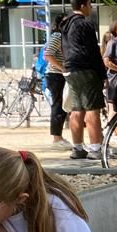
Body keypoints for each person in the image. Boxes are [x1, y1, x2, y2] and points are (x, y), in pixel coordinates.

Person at [61, 0, 106, 160]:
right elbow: (94, 52)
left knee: (76, 109)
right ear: (83, 5)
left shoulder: (65, 23)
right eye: (90, 4)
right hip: (86, 69)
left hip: (70, 68)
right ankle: (95, 148)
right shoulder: (85, 24)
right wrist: (102, 74)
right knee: (92, 108)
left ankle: (77, 147)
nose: (91, 7)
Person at [43, 14, 69, 146]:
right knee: (58, 105)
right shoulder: (57, 36)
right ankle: (57, 138)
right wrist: (62, 68)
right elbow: (47, 54)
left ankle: (58, 136)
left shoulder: (63, 37)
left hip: (59, 75)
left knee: (61, 105)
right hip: (55, 75)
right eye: (65, 22)